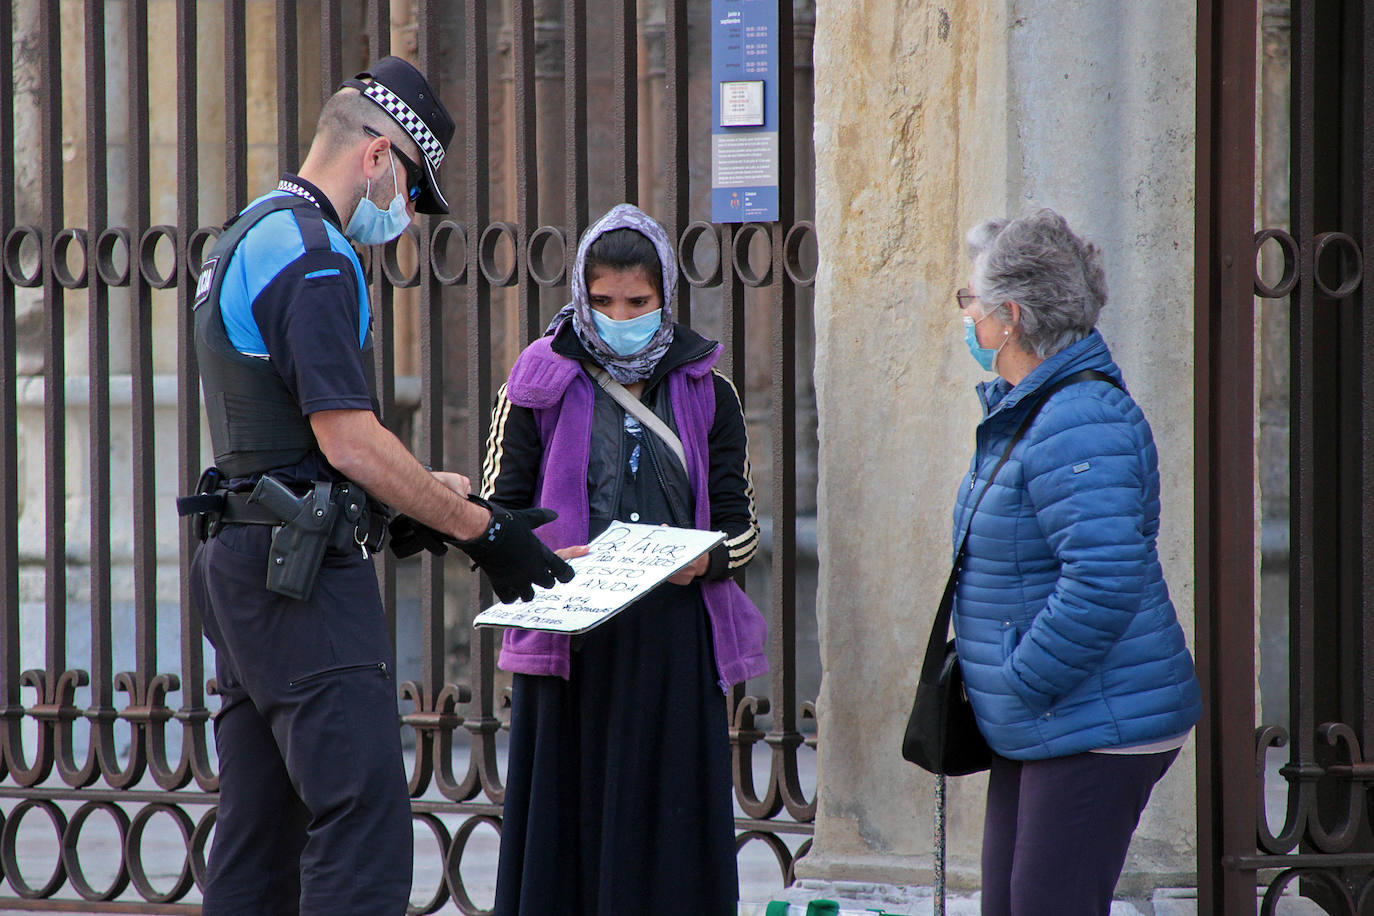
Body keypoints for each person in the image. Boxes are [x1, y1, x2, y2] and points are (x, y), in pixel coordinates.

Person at [182, 57, 572, 915]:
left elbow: (284, 437)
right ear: (377, 157)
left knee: (259, 832)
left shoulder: (246, 233)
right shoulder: (318, 258)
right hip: (300, 587)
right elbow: (347, 437)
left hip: (245, 562)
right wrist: (481, 529)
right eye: (410, 187)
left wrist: (413, 499)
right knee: (363, 820)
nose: (407, 213)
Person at [483, 203, 769, 915]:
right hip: (572, 641)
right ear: (581, 295)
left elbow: (742, 529)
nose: (619, 315)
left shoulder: (709, 390)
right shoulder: (535, 384)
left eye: (638, 302)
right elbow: (493, 515)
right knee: (568, 831)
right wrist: (545, 552)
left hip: (673, 646)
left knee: (668, 826)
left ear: (666, 296)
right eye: (604, 301)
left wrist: (701, 562)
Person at [950, 209, 1202, 916]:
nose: (966, 315)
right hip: (1045, 719)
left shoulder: (1076, 416)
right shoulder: (1029, 408)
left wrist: (1019, 676)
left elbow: (1103, 578)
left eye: (970, 300)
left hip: (1094, 721)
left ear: (1010, 315)